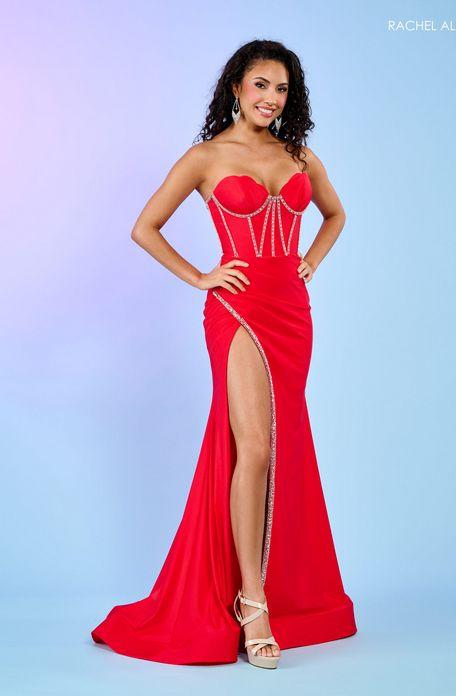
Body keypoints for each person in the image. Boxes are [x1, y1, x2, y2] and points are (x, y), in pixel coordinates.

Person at [91, 38, 357, 669]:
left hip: (291, 314)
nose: (272, 98)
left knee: (280, 446)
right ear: (236, 86)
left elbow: (335, 215)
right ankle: (252, 602)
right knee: (253, 448)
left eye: (282, 89)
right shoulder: (205, 157)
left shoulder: (298, 155)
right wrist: (201, 277)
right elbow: (144, 227)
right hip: (236, 312)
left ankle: (268, 588)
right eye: (261, 85)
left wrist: (309, 263)